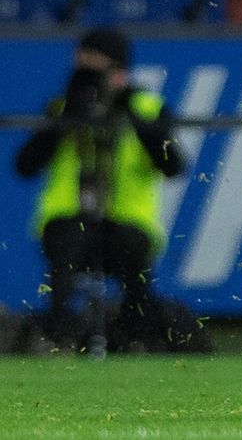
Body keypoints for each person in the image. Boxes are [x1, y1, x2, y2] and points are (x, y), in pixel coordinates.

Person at [14, 29, 187, 353]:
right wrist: (68, 116)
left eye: (97, 69)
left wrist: (127, 109)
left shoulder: (147, 107)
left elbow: (173, 165)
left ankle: (139, 337)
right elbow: (25, 166)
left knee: (134, 266)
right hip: (68, 217)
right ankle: (59, 339)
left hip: (127, 220)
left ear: (119, 71)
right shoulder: (62, 107)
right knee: (65, 258)